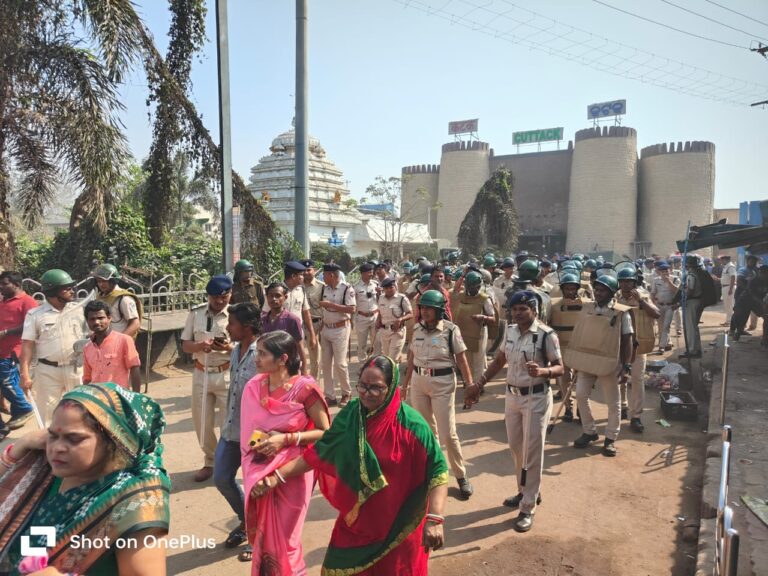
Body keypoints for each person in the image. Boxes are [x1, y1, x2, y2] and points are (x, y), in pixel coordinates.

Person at [251, 355, 448, 575]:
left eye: (376, 388)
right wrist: (275, 477)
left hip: (400, 529)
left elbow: (438, 470)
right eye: (362, 385)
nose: (366, 393)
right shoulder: (352, 414)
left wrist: (435, 518)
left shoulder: (412, 426)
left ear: (392, 388)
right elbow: (319, 452)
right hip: (358, 524)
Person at [0, 382, 170, 576]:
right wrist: (18, 448)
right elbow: (37, 535)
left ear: (113, 440)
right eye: (52, 436)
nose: (57, 448)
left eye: (74, 439)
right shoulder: (49, 474)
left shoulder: (134, 506)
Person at [465, 291, 563, 532]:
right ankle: (525, 491)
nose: (518, 313)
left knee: (532, 452)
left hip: (537, 398)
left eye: (523, 309)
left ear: (534, 310)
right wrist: (479, 384)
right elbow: (499, 361)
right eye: (515, 309)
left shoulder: (546, 335)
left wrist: (543, 372)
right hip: (512, 397)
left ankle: (528, 507)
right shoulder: (509, 331)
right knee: (515, 448)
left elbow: (560, 367)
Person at [239, 331, 330, 575]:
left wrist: (286, 439)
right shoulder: (254, 387)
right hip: (261, 469)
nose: (256, 359)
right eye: (256, 353)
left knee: (288, 540)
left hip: (294, 473)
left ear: (283, 359)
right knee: (266, 536)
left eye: (262, 354)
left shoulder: (304, 389)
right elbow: (249, 434)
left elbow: (326, 432)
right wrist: (258, 466)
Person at [403, 290, 474, 499]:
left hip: (443, 383)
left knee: (447, 433)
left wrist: (469, 385)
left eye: (429, 308)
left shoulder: (451, 330)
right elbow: (410, 360)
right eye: (422, 308)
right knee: (425, 432)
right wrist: (404, 386)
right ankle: (431, 473)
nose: (425, 312)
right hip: (419, 382)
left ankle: (461, 475)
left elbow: (462, 359)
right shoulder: (415, 329)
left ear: (439, 310)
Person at [564, 274, 634, 457]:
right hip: (587, 359)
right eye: (596, 289)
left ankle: (610, 439)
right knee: (580, 395)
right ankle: (589, 431)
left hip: (609, 362)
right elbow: (580, 333)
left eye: (602, 290)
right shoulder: (587, 308)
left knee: (613, 403)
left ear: (611, 292)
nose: (598, 292)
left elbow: (628, 340)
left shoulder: (621, 312)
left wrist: (626, 366)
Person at [215, 303, 261, 561]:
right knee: (222, 478)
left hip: (255, 435)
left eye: (231, 323)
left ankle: (257, 536)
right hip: (232, 429)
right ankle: (246, 522)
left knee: (256, 487)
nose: (227, 327)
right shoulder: (235, 351)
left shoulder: (262, 354)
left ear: (247, 327)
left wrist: (262, 439)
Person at [181, 274, 234, 482]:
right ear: (208, 296)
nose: (219, 302)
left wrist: (229, 347)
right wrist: (200, 346)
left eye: (223, 297)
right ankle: (210, 461)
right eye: (214, 298)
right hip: (201, 372)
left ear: (230, 294)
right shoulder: (196, 314)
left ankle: (225, 463)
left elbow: (250, 345)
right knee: (202, 421)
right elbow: (185, 344)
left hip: (226, 373)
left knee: (227, 423)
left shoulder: (236, 314)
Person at [20, 269, 90, 426]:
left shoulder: (79, 310)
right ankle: (48, 447)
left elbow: (91, 337)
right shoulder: (35, 315)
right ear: (52, 291)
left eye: (71, 287)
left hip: (76, 369)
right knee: (47, 415)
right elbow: (27, 346)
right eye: (66, 288)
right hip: (47, 372)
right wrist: (24, 374)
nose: (72, 291)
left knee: (81, 410)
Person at [616, 266, 660, 433]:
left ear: (635, 282)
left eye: (629, 281)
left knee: (637, 380)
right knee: (619, 378)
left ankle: (636, 416)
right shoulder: (615, 298)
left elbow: (656, 314)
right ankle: (622, 406)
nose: (626, 285)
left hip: (639, 346)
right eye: (622, 281)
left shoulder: (644, 296)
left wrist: (641, 301)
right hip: (619, 346)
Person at [548, 271, 589, 422]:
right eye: (567, 288)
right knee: (564, 379)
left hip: (581, 347)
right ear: (563, 289)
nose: (570, 291)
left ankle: (581, 408)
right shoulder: (553, 305)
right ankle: (568, 407)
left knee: (581, 381)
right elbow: (548, 325)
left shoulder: (587, 305)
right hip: (562, 348)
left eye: (573, 288)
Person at [0, 271, 37, 436]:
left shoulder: (27, 301)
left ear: (16, 284)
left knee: (7, 383)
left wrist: (5, 332)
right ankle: (15, 414)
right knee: (7, 383)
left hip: (13, 350)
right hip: (2, 350)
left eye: (4, 284)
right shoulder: (3, 301)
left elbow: (30, 326)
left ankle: (24, 408)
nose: (1, 287)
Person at [82, 300, 142, 392]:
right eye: (92, 319)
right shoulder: (87, 347)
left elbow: (135, 368)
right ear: (87, 321)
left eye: (101, 318)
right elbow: (87, 378)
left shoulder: (124, 340)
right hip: (97, 399)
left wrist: (136, 398)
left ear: (109, 318)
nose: (97, 322)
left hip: (119, 398)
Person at [319, 263, 356, 407]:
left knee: (340, 364)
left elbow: (352, 308)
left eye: (325, 274)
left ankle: (346, 393)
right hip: (326, 328)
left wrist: (331, 305)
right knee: (326, 364)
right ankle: (330, 396)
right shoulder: (324, 288)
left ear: (332, 275)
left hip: (340, 329)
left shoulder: (347, 288)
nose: (323, 277)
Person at [451, 271, 497, 384]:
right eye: (470, 287)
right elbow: (454, 293)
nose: (472, 290)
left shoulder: (485, 299)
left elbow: (493, 319)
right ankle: (468, 382)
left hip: (479, 334)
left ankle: (477, 385)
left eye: (474, 288)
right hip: (462, 333)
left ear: (479, 286)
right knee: (466, 359)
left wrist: (482, 317)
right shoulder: (461, 296)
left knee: (478, 361)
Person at [261, 282, 309, 375]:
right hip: (267, 366)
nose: (274, 299)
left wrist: (304, 367)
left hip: (287, 367)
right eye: (270, 296)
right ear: (266, 297)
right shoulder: (262, 320)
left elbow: (299, 345)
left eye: (278, 296)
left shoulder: (292, 319)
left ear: (285, 297)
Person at [91, 264, 141, 338]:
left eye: (104, 281)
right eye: (98, 281)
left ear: (113, 280)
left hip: (120, 345)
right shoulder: (100, 296)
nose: (101, 284)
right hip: (103, 343)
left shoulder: (124, 299)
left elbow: (135, 324)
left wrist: (119, 341)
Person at [375, 277, 413, 363]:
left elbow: (410, 314)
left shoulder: (402, 298)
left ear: (395, 287)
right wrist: (378, 320)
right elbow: (380, 312)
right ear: (383, 289)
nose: (389, 290)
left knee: (392, 359)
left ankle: (392, 376)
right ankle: (395, 374)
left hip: (397, 331)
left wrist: (400, 319)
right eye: (386, 288)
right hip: (384, 331)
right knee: (386, 357)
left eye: (391, 287)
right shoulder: (381, 298)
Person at [283, 261, 317, 352]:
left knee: (298, 361)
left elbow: (306, 313)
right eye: (301, 274)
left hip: (297, 335)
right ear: (293, 276)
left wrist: (312, 335)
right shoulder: (276, 291)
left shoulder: (301, 290)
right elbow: (265, 314)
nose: (303, 276)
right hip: (280, 335)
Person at [730, 264, 768, 344]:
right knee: (741, 319)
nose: (764, 275)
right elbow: (752, 295)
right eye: (762, 273)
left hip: (757, 302)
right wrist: (762, 303)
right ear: (759, 273)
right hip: (745, 301)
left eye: (766, 273)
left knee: (766, 317)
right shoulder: (753, 281)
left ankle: (765, 339)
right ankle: (737, 334)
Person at [649, 261, 680, 354]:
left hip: (670, 306)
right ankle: (667, 343)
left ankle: (661, 346)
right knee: (661, 326)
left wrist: (668, 281)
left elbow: (677, 291)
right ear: (660, 272)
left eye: (666, 271)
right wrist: (652, 304)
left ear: (670, 271)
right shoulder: (656, 280)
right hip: (659, 305)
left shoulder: (675, 279)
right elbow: (653, 293)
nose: (665, 273)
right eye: (663, 271)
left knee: (666, 326)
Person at [301, 259, 324, 380]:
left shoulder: (321, 287)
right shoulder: (298, 287)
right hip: (300, 325)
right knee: (300, 356)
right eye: (304, 270)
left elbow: (324, 307)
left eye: (309, 270)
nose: (306, 273)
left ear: (314, 270)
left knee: (316, 357)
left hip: (317, 325)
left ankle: (314, 382)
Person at [353, 263, 379, 360]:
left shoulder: (376, 284)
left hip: (375, 316)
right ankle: (362, 364)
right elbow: (353, 303)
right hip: (362, 317)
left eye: (372, 272)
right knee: (362, 343)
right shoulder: (356, 287)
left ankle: (376, 362)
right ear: (362, 273)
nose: (371, 274)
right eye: (369, 272)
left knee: (376, 342)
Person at [680, 256, 704, 358]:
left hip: (692, 301)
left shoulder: (691, 275)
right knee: (694, 327)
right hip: (697, 301)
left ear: (687, 265)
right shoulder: (697, 274)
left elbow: (690, 290)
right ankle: (696, 349)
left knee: (690, 327)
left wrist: (683, 298)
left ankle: (692, 350)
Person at [717, 255, 737, 327]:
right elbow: (726, 278)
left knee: (730, 305)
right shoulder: (726, 267)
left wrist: (731, 289)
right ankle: (728, 320)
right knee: (727, 305)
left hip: (729, 287)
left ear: (726, 260)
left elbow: (733, 277)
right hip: (725, 287)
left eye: (722, 260)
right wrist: (717, 279)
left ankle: (730, 322)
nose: (721, 261)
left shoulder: (730, 266)